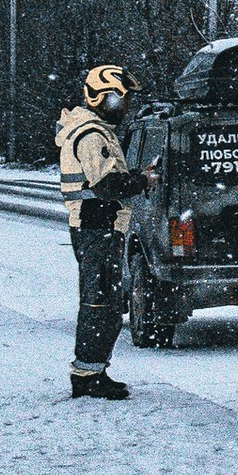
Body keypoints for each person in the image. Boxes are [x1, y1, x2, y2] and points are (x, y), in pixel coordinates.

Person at [56, 61, 147, 400]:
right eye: (119, 100)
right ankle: (87, 374)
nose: (124, 108)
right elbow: (107, 184)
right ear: (102, 98)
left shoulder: (93, 130)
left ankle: (93, 370)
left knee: (105, 300)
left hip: (99, 225)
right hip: (97, 225)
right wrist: (142, 179)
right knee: (99, 302)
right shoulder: (91, 135)